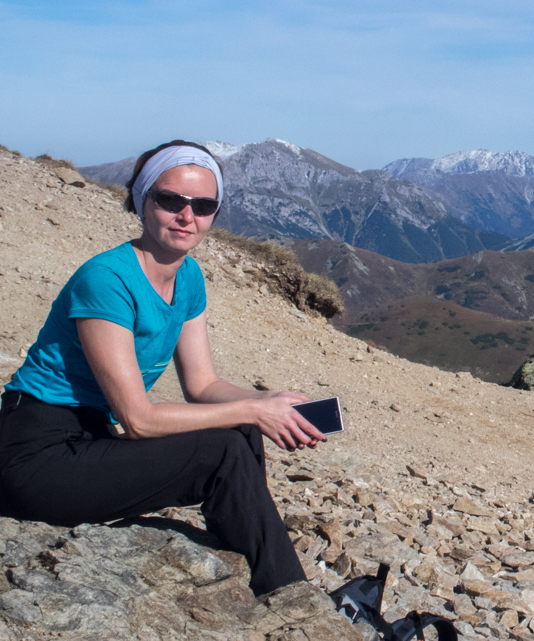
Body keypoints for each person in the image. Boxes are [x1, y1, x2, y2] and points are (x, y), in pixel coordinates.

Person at [0, 140, 326, 596]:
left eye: (204, 205)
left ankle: (253, 572)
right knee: (226, 448)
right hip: (36, 453)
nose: (187, 216)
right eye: (170, 200)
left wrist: (269, 404)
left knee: (243, 432)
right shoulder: (107, 278)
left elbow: (203, 384)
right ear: (142, 199)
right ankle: (289, 597)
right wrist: (253, 411)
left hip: (91, 438)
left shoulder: (188, 277)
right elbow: (138, 420)